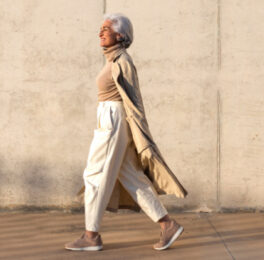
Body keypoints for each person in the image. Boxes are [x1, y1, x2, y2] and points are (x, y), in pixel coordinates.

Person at [65, 13, 188, 251]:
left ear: (120, 35)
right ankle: (167, 224)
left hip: (113, 121)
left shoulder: (122, 61)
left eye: (106, 29)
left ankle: (91, 235)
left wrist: (140, 134)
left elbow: (134, 101)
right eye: (100, 29)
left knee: (95, 175)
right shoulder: (113, 60)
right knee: (131, 176)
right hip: (109, 119)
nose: (100, 32)